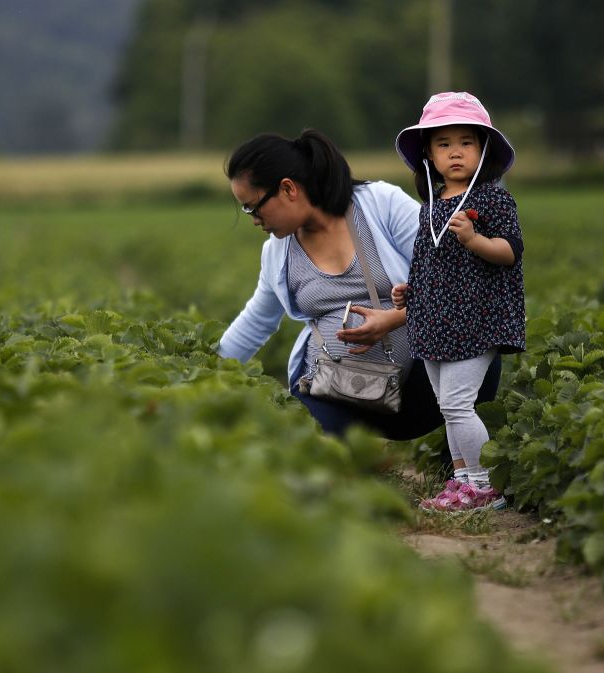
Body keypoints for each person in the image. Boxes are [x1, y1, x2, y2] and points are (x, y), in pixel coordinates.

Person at [217, 128, 502, 441]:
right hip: (331, 390)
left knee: (476, 335)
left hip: (418, 391)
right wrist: (204, 373)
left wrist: (393, 319)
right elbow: (255, 323)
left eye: (253, 206)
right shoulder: (277, 252)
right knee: (313, 455)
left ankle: (466, 471)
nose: (254, 218)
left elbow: (456, 274)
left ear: (288, 189)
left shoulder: (378, 204)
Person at [392, 92, 526, 511]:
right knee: (447, 406)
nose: (455, 153)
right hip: (433, 317)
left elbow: (510, 252)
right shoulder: (429, 206)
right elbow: (425, 258)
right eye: (444, 144)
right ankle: (463, 480)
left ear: (483, 151)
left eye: (466, 142)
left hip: (478, 317)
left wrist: (474, 240)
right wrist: (408, 292)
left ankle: (485, 486)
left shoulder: (492, 199)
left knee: (456, 403)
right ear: (429, 155)